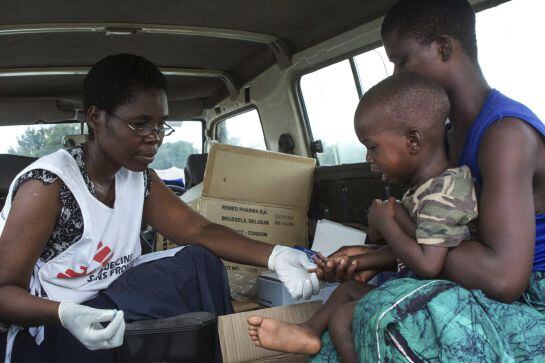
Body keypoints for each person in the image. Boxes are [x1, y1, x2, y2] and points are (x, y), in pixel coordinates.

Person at [0, 53, 320, 363]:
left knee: (199, 263)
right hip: (56, 331)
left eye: (161, 125)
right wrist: (66, 314)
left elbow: (199, 230)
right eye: (140, 124)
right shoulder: (48, 187)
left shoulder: (138, 178)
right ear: (96, 118)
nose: (154, 138)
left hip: (112, 311)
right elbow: (4, 293)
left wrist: (275, 255)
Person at [313, 0, 545, 361]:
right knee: (338, 331)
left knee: (378, 316)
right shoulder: (449, 137)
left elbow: (503, 279)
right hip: (475, 283)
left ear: (443, 48)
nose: (395, 76)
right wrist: (372, 258)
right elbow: (442, 235)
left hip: (530, 300)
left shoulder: (505, 136)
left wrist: (393, 231)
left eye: (401, 60)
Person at [247, 72, 478, 363]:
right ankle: (307, 330)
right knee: (347, 290)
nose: (369, 158)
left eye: (372, 147)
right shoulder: (420, 190)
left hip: (445, 294)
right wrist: (356, 259)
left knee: (344, 318)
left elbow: (429, 264)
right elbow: (409, 244)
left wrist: (387, 223)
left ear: (414, 141)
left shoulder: (444, 192)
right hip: (417, 286)